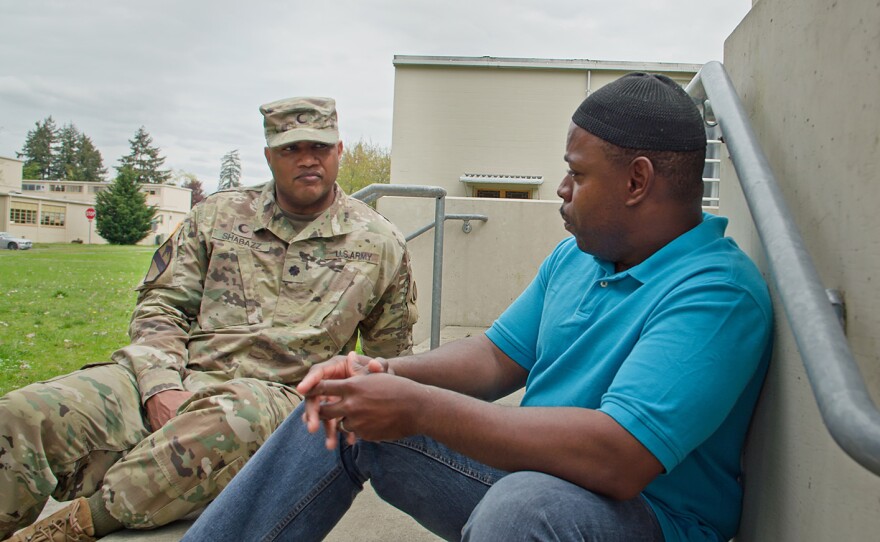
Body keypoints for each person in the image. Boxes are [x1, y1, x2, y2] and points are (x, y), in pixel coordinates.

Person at [183, 74, 773, 542]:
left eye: (576, 174)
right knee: (345, 403)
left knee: (529, 508)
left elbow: (619, 458)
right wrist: (383, 375)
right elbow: (494, 358)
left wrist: (419, 408)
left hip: (635, 518)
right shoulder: (578, 258)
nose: (562, 190)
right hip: (534, 482)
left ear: (637, 181)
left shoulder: (716, 293)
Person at [0, 97, 418, 542]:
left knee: (235, 417)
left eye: (319, 146)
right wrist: (161, 386)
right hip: (183, 375)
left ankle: (74, 525)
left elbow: (387, 359)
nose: (308, 159)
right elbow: (162, 306)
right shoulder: (218, 217)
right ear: (269, 156)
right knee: (23, 414)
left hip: (280, 401)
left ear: (339, 151)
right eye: (290, 149)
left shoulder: (380, 242)